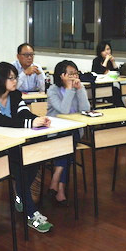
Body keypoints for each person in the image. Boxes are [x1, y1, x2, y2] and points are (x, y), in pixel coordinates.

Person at [0, 62, 53, 233]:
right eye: (10, 78)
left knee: (34, 157)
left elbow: (23, 113)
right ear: (0, 79)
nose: (15, 81)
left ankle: (21, 193)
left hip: (13, 144)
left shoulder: (15, 95)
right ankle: (31, 213)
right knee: (21, 166)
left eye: (15, 77)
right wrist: (29, 123)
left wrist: (38, 119)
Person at [46, 60, 90, 206]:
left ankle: (56, 177)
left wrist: (80, 89)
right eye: (70, 74)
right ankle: (60, 188)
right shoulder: (53, 90)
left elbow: (86, 109)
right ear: (62, 75)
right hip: (56, 131)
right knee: (67, 146)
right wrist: (70, 89)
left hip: (74, 130)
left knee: (68, 141)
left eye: (76, 73)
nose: (74, 76)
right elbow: (63, 110)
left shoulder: (77, 88)